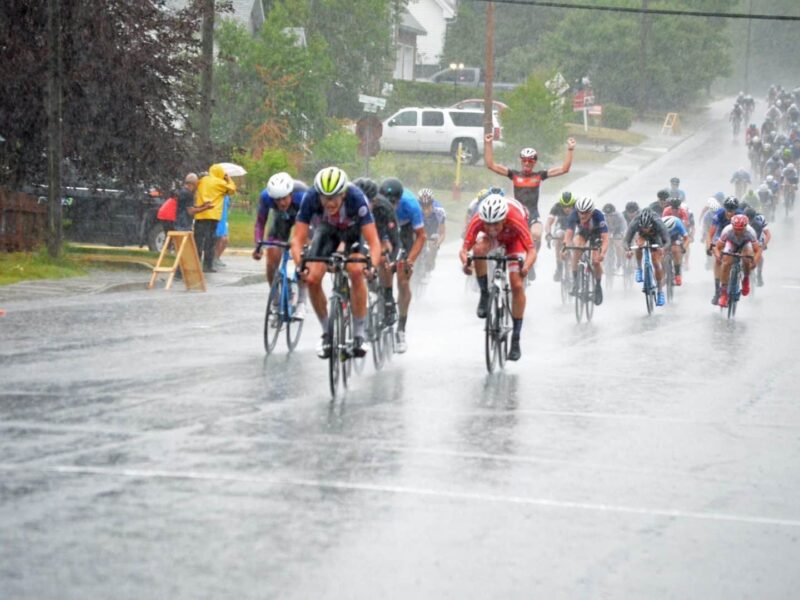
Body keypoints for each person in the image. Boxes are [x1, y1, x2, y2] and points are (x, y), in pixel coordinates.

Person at [290, 166, 381, 359]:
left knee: (356, 270)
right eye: (325, 198)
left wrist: (371, 266)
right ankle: (326, 334)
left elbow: (373, 241)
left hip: (353, 232)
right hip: (327, 231)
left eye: (334, 198)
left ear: (344, 194)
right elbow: (297, 239)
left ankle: (358, 334)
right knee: (312, 279)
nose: (329, 203)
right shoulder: (310, 198)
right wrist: (301, 265)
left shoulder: (356, 198)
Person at [483, 132, 576, 277]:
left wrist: (570, 149)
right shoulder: (514, 175)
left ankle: (530, 260)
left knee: (537, 234)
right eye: (524, 161)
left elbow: (564, 169)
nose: (527, 163)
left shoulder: (539, 176)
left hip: (532, 213)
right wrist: (488, 144)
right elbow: (491, 165)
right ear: (521, 161)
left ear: (534, 163)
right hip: (516, 213)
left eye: (530, 161)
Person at [460, 193, 536, 361]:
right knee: (479, 252)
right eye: (487, 224)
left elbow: (531, 250)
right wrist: (466, 263)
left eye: (495, 224)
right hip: (494, 240)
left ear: (504, 219)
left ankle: (515, 339)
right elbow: (465, 249)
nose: (491, 228)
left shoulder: (515, 218)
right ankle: (485, 294)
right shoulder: (478, 220)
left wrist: (526, 267)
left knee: (516, 285)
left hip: (513, 240)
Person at [378, 178, 426, 353]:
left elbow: (421, 236)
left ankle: (401, 330)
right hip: (383, 230)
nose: (391, 205)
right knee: (382, 262)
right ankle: (386, 298)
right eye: (387, 202)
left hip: (404, 232)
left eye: (394, 203)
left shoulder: (411, 204)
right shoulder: (376, 203)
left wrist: (410, 260)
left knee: (403, 277)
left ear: (399, 199)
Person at [253, 172, 309, 320]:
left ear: (290, 193)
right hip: (281, 221)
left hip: (302, 218)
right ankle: (276, 300)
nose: (281, 203)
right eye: (277, 200)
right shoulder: (266, 197)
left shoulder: (303, 196)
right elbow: (260, 222)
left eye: (284, 198)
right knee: (271, 262)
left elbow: (313, 223)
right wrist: (258, 245)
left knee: (303, 259)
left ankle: (302, 301)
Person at [354, 177, 400, 325]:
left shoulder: (384, 207)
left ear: (375, 201)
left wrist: (391, 261)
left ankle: (387, 297)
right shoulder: (350, 205)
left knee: (383, 258)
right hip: (358, 234)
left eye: (369, 203)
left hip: (380, 234)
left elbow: (394, 241)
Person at [562, 196, 609, 305]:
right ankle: (576, 281)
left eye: (586, 213)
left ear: (592, 212)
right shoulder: (573, 215)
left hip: (597, 235)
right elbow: (568, 234)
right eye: (580, 213)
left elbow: (605, 239)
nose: (582, 215)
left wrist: (602, 253)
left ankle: (597, 285)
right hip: (583, 233)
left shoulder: (599, 215)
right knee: (577, 248)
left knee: (596, 261)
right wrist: (564, 248)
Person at [194, 164, 236, 273]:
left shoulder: (203, 180)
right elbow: (232, 190)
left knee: (198, 241)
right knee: (210, 242)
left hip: (200, 215)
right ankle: (207, 266)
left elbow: (195, 186)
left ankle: (195, 263)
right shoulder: (220, 183)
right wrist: (228, 179)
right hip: (212, 216)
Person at [713, 214, 761, 308]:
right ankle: (723, 293)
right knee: (726, 262)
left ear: (746, 227)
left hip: (745, 244)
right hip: (731, 243)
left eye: (741, 229)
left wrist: (754, 261)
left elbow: (757, 250)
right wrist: (718, 257)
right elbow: (717, 247)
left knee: (747, 258)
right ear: (732, 226)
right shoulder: (727, 230)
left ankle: (746, 279)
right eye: (736, 229)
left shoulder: (750, 232)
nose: (738, 232)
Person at [624, 208, 670, 306]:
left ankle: (660, 292)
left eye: (647, 227)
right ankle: (639, 269)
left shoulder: (658, 223)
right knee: (639, 244)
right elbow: (626, 241)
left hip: (655, 237)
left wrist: (663, 249)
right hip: (642, 236)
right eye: (643, 227)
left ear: (651, 224)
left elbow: (667, 241)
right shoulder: (635, 223)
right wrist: (628, 250)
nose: (645, 229)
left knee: (656, 263)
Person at [706, 196, 743, 305]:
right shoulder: (719, 214)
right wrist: (709, 246)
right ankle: (718, 291)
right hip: (721, 234)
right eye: (727, 209)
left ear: (736, 209)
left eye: (732, 210)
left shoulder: (741, 215)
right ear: (724, 208)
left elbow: (746, 234)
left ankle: (739, 279)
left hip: (737, 235)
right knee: (718, 259)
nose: (729, 212)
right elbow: (710, 234)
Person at [544, 190, 576, 281]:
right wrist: (548, 233)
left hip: (574, 228)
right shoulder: (556, 207)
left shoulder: (577, 206)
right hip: (561, 228)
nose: (567, 209)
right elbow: (548, 223)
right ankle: (559, 266)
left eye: (569, 206)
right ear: (561, 204)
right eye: (564, 206)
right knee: (558, 236)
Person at [418, 188, 447, 273]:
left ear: (432, 204)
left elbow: (442, 232)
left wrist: (437, 243)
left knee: (433, 245)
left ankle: (430, 265)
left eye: (428, 206)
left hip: (433, 229)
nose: (426, 210)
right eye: (423, 207)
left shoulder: (440, 211)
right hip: (420, 227)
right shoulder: (415, 209)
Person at [743, 206, 771, 287]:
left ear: (753, 218)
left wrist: (763, 245)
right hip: (745, 234)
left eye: (751, 219)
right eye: (748, 219)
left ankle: (759, 274)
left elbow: (768, 235)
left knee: (759, 254)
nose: (749, 222)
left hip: (757, 235)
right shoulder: (741, 218)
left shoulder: (759, 222)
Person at [662, 215, 689, 286]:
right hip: (663, 237)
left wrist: (684, 248)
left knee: (676, 250)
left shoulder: (678, 223)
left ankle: (677, 274)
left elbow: (687, 239)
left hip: (675, 237)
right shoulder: (660, 224)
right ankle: (663, 273)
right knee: (661, 253)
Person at [602, 203, 626, 273]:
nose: (609, 217)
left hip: (618, 232)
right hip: (607, 232)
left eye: (611, 215)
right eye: (607, 215)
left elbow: (623, 226)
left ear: (614, 213)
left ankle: (619, 262)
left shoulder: (619, 216)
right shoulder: (603, 216)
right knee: (604, 244)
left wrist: (622, 234)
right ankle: (605, 262)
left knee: (618, 245)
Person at [214, 193, 231, 268]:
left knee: (225, 240)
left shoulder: (226, 195)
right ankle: (213, 258)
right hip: (217, 219)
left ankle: (216, 258)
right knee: (220, 239)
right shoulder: (217, 193)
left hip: (223, 220)